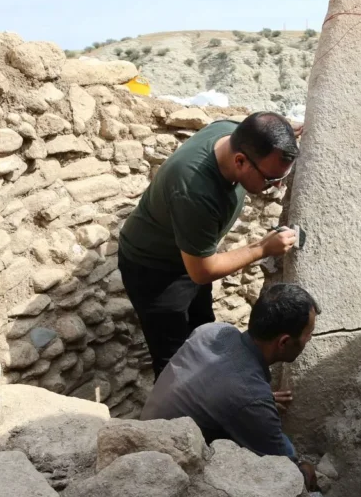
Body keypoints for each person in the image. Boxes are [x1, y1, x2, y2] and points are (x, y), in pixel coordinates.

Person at [118, 111, 300, 380]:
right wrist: (262, 248)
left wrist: (284, 134)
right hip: (155, 272)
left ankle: (212, 396)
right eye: (271, 179)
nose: (279, 185)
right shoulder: (195, 191)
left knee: (203, 336)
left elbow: (261, 130)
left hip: (188, 256)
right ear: (240, 161)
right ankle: (175, 419)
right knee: (175, 363)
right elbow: (202, 271)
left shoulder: (234, 134)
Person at [140, 282, 320, 489]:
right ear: (284, 342)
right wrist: (305, 470)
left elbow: (219, 384)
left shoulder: (213, 331)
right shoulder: (250, 397)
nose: (310, 339)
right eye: (308, 334)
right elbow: (284, 472)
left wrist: (258, 400)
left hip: (145, 433)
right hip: (160, 474)